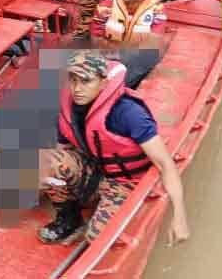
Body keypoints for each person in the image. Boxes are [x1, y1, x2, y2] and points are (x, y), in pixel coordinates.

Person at [38, 51, 189, 247]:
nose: (77, 89)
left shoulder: (128, 113)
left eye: (86, 81)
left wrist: (179, 214)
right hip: (95, 171)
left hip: (124, 182)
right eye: (73, 81)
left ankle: (108, 215)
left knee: (98, 237)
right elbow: (62, 151)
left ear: (103, 82)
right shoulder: (69, 107)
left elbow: (166, 164)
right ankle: (69, 218)